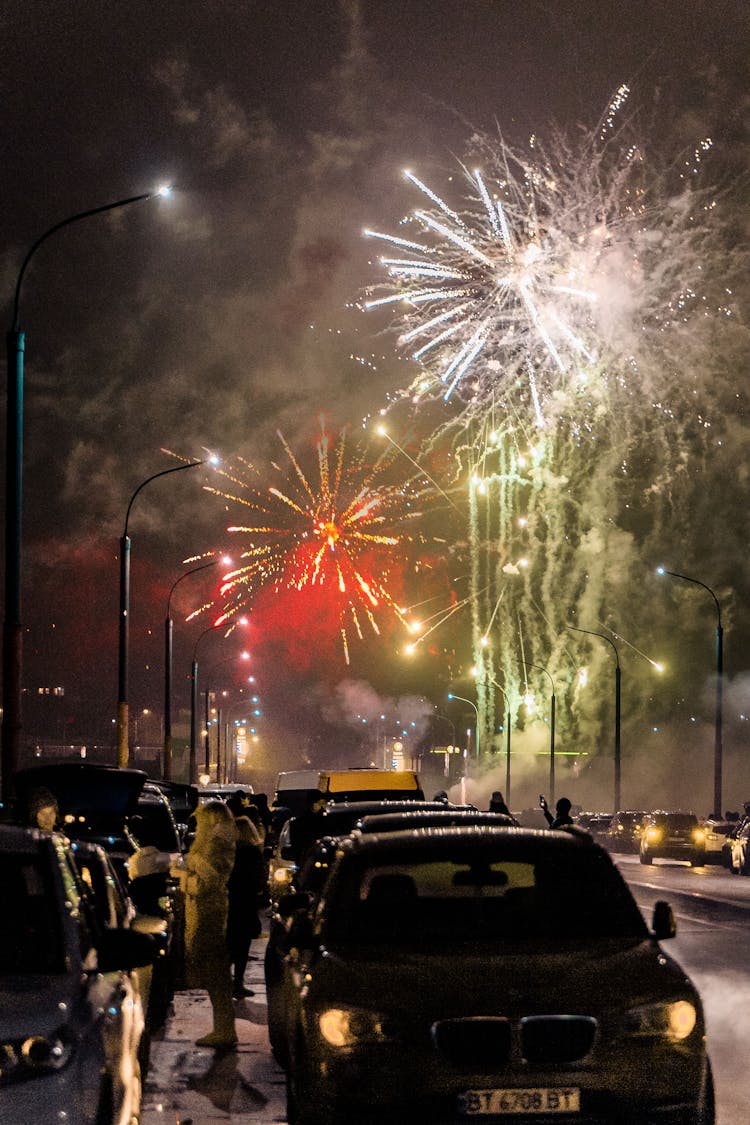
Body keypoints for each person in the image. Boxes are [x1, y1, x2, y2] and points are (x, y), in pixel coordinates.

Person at [179, 800, 238, 1050]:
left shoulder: (217, 843)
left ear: (212, 820)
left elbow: (209, 880)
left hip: (209, 912)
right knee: (215, 971)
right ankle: (223, 1028)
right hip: (206, 910)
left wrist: (187, 873)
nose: (198, 825)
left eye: (202, 819)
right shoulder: (217, 842)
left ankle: (224, 1030)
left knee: (215, 970)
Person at [226, 816, 266, 998]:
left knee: (229, 944)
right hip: (246, 902)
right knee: (242, 946)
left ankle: (225, 981)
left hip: (229, 901)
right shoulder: (253, 852)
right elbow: (259, 879)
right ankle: (238, 982)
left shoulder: (228, 851)